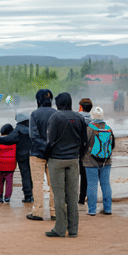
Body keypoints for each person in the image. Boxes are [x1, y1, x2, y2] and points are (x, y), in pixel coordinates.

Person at [44, 92, 88, 238]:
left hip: (57, 160)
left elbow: (50, 141)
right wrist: (78, 156)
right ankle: (73, 229)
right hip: (73, 160)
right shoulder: (79, 117)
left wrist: (46, 157)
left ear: (60, 103)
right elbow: (84, 142)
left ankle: (60, 229)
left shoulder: (55, 117)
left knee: (59, 197)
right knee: (72, 196)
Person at [27, 89, 57, 222]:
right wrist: (50, 148)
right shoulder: (56, 114)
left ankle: (37, 212)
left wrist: (43, 147)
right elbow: (57, 136)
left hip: (36, 154)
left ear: (38, 100)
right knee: (53, 184)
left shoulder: (34, 114)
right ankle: (54, 212)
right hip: (53, 155)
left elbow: (33, 135)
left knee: (38, 184)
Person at [0, 111, 32, 203]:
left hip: (22, 157)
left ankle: (28, 196)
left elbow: (7, 139)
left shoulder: (18, 130)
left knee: (25, 175)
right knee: (33, 176)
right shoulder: (32, 128)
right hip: (33, 154)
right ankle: (34, 195)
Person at [83, 107, 115, 216]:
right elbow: (113, 145)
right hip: (106, 161)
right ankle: (108, 208)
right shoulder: (108, 128)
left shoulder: (89, 129)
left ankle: (92, 210)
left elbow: (83, 144)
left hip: (90, 161)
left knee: (92, 185)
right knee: (106, 184)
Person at [0, 124, 16, 204]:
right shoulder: (14, 142)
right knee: (9, 181)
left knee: (0, 181)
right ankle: (7, 197)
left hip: (0, 165)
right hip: (11, 165)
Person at [77, 98, 93, 205]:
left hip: (75, 150)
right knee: (84, 175)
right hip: (88, 151)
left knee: (72, 176)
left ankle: (70, 198)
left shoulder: (76, 118)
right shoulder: (92, 121)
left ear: (81, 107)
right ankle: (82, 198)